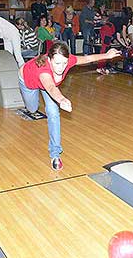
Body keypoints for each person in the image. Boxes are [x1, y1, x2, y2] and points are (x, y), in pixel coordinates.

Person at [18, 42, 120, 170]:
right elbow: (50, 87)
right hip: (28, 81)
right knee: (32, 109)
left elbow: (87, 59)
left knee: (54, 113)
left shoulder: (67, 61)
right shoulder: (43, 70)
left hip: (49, 86)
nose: (61, 67)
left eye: (64, 63)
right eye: (57, 63)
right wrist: (61, 99)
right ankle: (32, 101)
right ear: (49, 60)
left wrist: (107, 55)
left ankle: (55, 154)